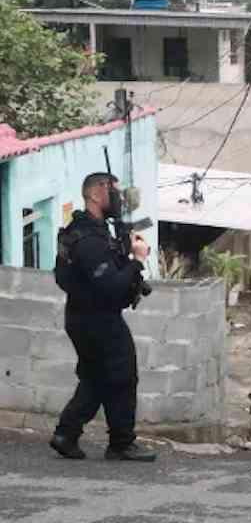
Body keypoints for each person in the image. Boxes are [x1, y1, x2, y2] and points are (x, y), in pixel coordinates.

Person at [49, 172, 157, 462]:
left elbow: (65, 277)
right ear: (96, 194)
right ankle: (122, 443)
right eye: (113, 190)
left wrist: (124, 251)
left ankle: (66, 434)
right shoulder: (89, 240)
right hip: (98, 318)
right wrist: (137, 261)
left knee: (97, 377)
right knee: (122, 376)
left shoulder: (85, 232)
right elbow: (111, 286)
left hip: (82, 317)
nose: (119, 197)